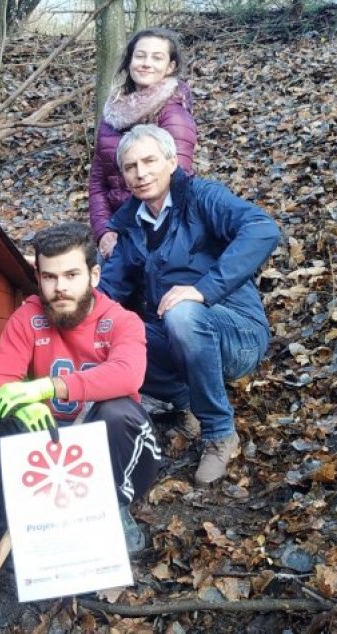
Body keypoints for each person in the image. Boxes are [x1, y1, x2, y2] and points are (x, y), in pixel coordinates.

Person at [98, 124, 280, 487]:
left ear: (170, 161)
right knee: (111, 334)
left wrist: (203, 290)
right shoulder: (130, 225)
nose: (141, 172)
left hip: (237, 333)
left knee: (183, 314)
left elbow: (263, 228)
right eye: (131, 166)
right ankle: (185, 403)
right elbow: (108, 291)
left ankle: (219, 433)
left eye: (149, 161)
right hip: (174, 339)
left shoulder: (202, 197)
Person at [0, 222, 162, 554]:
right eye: (49, 277)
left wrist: (46, 388)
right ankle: (23, 517)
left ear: (93, 276)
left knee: (121, 413)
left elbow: (128, 374)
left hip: (104, 444)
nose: (60, 287)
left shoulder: (120, 320)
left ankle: (116, 509)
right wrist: (22, 404)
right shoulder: (27, 319)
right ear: (39, 278)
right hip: (46, 441)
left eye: (71, 275)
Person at [89, 27, 197, 261]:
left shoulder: (173, 115)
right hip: (114, 231)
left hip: (155, 234)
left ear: (170, 67)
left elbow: (174, 185)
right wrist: (104, 232)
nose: (146, 63)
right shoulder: (112, 115)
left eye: (157, 57)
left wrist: (123, 230)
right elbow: (98, 182)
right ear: (129, 61)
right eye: (140, 56)